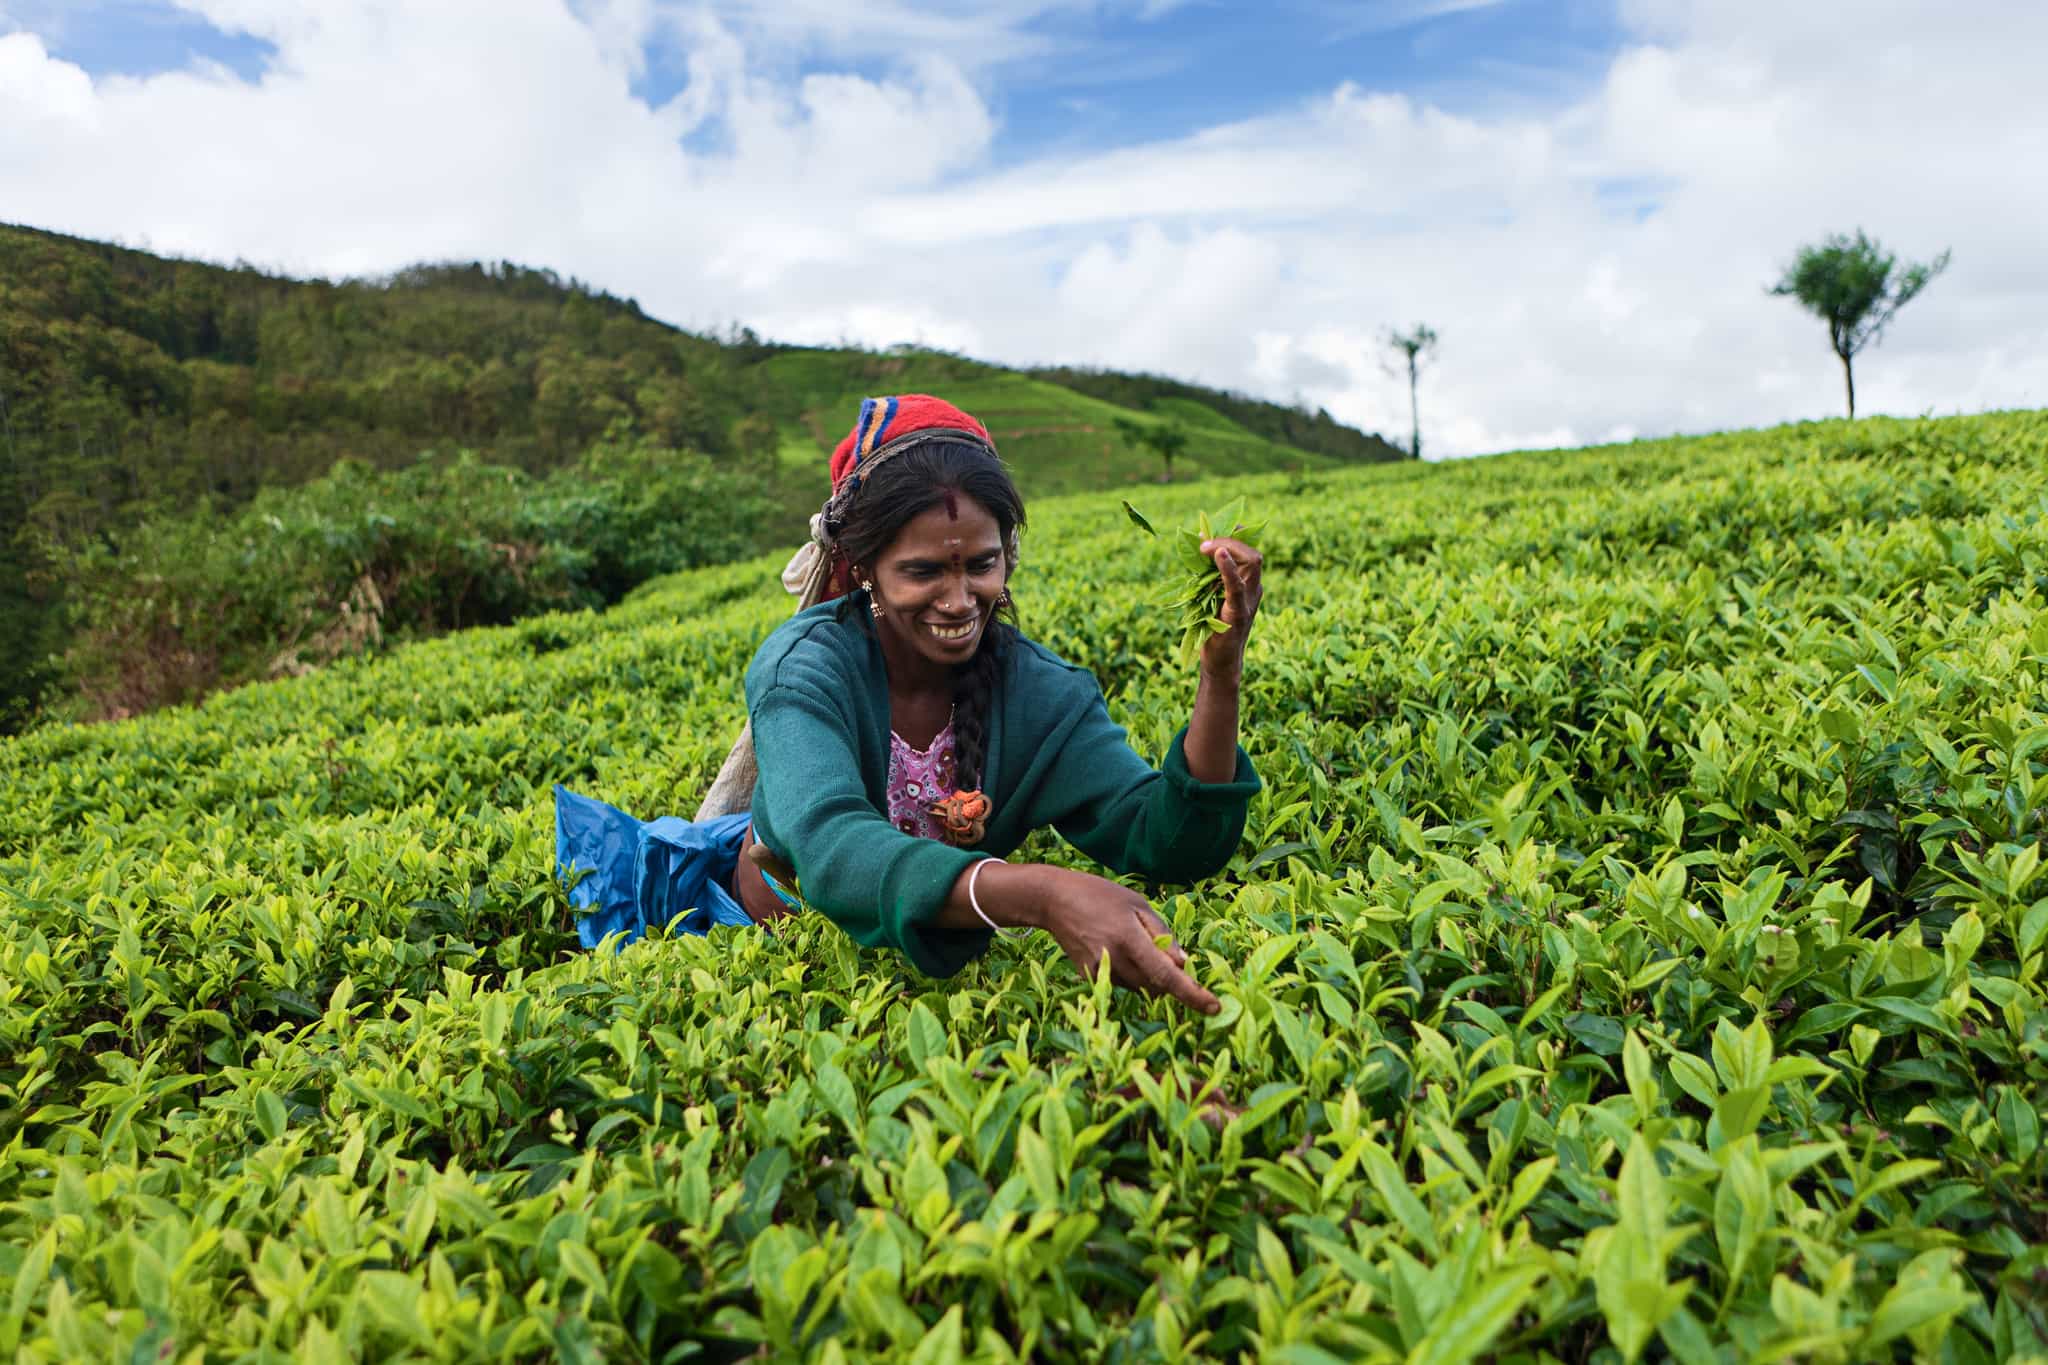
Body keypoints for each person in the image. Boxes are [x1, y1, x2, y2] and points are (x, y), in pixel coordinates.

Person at [728, 394, 1264, 1014]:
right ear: (866, 566)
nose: (959, 601)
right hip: (793, 967)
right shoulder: (807, 667)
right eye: (924, 572)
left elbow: (1171, 842)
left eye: (981, 565)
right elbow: (832, 845)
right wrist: (1041, 893)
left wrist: (1220, 675)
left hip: (947, 995)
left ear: (1006, 553)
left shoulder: (1037, 690)